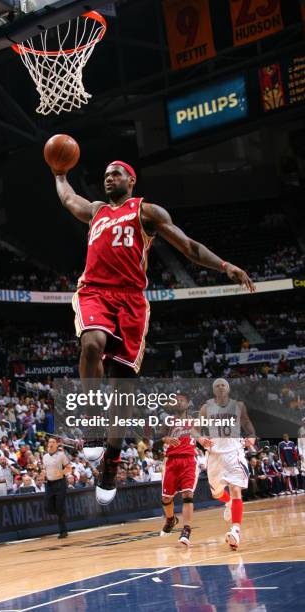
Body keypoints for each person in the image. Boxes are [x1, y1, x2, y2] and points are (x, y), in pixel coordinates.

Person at [52, 160, 255, 505]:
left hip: (131, 301)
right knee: (91, 344)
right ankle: (91, 420)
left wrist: (225, 265)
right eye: (104, 176)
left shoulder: (146, 211)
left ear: (131, 180)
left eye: (115, 173)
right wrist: (59, 174)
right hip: (95, 293)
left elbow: (189, 247)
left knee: (122, 390)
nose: (108, 179)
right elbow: (70, 198)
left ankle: (111, 464)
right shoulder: (97, 211)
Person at [199, 378, 256, 550]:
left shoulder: (238, 405)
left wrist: (252, 436)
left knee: (235, 489)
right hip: (215, 454)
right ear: (214, 390)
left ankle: (236, 530)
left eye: (223, 384)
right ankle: (228, 502)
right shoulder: (205, 407)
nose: (221, 387)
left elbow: (246, 423)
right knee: (217, 494)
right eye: (217, 385)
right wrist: (201, 438)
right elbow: (197, 429)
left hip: (234, 452)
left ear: (228, 389)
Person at [159, 394, 202, 546]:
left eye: (182, 400)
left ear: (188, 403)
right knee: (166, 498)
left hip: (189, 460)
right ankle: (171, 519)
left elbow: (201, 439)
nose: (178, 402)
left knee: (188, 494)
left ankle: (186, 530)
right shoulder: (168, 421)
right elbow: (157, 439)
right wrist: (165, 439)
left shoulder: (195, 421)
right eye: (176, 400)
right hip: (171, 461)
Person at [43, 438, 71, 539]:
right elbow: (44, 469)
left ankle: (63, 531)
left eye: (53, 442)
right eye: (50, 442)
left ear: (56, 445)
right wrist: (43, 475)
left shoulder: (61, 455)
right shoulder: (45, 456)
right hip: (49, 484)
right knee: (48, 507)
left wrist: (61, 472)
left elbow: (69, 468)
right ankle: (61, 512)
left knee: (59, 508)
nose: (51, 444)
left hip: (60, 483)